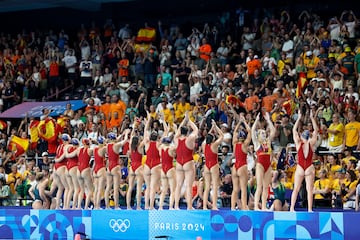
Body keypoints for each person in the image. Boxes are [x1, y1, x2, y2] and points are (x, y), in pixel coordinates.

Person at [290, 109, 318, 212]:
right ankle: (310, 209)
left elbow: (293, 130)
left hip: (300, 167)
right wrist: (312, 118)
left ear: (301, 136)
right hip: (309, 167)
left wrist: (299, 118)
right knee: (309, 190)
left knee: (296, 189)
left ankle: (292, 208)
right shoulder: (311, 143)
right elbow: (316, 130)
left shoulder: (298, 143)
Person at [251, 112, 276, 210]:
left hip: (268, 165)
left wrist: (269, 120)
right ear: (258, 135)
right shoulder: (257, 143)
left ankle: (264, 206)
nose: (264, 134)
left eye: (264, 133)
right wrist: (256, 121)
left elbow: (273, 131)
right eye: (262, 133)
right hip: (260, 165)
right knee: (259, 186)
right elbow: (252, 131)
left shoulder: (268, 142)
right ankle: (257, 206)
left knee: (266, 187)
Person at [174, 111, 199, 210]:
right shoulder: (190, 138)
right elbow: (196, 130)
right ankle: (189, 206)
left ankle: (176, 206)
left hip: (179, 163)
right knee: (188, 186)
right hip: (188, 162)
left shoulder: (176, 139)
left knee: (178, 185)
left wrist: (185, 120)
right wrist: (189, 121)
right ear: (187, 132)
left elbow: (179, 129)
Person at [202, 119, 224, 210]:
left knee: (207, 187)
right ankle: (214, 206)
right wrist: (216, 127)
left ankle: (204, 206)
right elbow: (222, 136)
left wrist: (212, 128)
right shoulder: (214, 145)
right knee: (214, 186)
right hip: (214, 165)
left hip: (206, 166)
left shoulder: (204, 145)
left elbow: (207, 138)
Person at [231, 114, 252, 210]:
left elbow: (234, 132)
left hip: (235, 167)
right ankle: (244, 207)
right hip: (242, 166)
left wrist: (239, 122)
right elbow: (250, 132)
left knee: (235, 190)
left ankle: (232, 207)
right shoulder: (245, 145)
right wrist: (244, 122)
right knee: (243, 189)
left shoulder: (234, 144)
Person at [104, 130, 129, 209]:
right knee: (115, 187)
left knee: (108, 187)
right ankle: (116, 206)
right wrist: (126, 134)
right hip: (115, 167)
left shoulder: (107, 145)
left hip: (109, 167)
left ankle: (107, 206)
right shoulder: (116, 145)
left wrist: (121, 134)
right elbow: (124, 141)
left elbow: (116, 140)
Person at [142, 112, 162, 210]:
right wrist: (164, 124)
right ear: (157, 137)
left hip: (147, 166)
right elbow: (166, 134)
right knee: (153, 187)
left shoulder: (146, 143)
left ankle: (146, 205)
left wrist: (149, 120)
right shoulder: (158, 144)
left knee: (148, 187)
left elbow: (145, 130)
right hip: (155, 166)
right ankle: (151, 206)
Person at [158, 121, 177, 210]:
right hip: (169, 168)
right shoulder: (172, 148)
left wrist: (167, 129)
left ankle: (160, 207)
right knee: (173, 190)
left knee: (164, 190)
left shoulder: (160, 147)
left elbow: (162, 139)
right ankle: (170, 207)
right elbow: (177, 143)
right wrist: (176, 129)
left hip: (163, 169)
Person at [126, 124, 145, 210]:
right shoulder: (140, 147)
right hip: (138, 167)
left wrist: (134, 127)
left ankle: (128, 206)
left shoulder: (131, 147)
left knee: (130, 187)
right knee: (139, 188)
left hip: (132, 167)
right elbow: (145, 139)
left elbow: (131, 139)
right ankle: (138, 206)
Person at [53, 133, 70, 209]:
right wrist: (57, 160)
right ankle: (65, 206)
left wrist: (56, 160)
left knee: (60, 188)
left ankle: (57, 206)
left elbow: (57, 156)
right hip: (61, 167)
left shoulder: (59, 146)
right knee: (67, 187)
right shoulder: (66, 146)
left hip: (55, 168)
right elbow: (63, 157)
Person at [76, 138, 94, 209]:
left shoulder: (78, 150)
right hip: (85, 169)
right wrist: (91, 143)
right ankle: (86, 207)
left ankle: (78, 206)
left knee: (82, 189)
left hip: (78, 170)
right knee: (90, 190)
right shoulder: (90, 150)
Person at [64, 138, 80, 209]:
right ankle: (74, 206)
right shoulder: (77, 150)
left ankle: (66, 206)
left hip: (67, 168)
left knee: (69, 188)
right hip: (74, 167)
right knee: (77, 188)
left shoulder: (68, 148)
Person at [93, 136, 107, 209]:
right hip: (101, 168)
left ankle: (95, 205)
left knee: (96, 189)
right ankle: (97, 206)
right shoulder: (103, 149)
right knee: (100, 189)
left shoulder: (95, 149)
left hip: (95, 169)